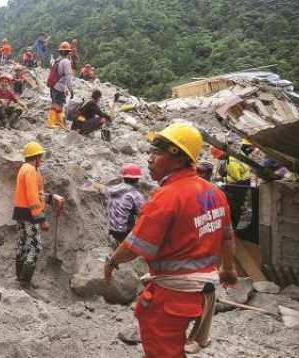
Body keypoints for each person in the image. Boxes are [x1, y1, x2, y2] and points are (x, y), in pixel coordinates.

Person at [104, 122, 237, 358]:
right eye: (149, 152)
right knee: (171, 347)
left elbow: (135, 246)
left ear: (179, 159)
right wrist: (228, 269)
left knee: (162, 350)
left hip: (174, 294)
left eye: (157, 153)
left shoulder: (166, 197)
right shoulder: (215, 193)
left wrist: (112, 260)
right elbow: (227, 236)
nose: (149, 158)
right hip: (202, 291)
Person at [13, 142, 65, 289]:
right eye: (40, 157)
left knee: (23, 244)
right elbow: (32, 196)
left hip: (21, 212)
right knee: (35, 247)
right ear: (35, 157)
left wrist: (52, 197)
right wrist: (41, 218)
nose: (41, 160)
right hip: (30, 214)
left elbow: (36, 194)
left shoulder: (27, 169)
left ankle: (20, 279)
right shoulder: (30, 170)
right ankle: (24, 282)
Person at [101, 164, 146, 248]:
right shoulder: (136, 195)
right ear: (137, 179)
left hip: (109, 228)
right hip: (125, 232)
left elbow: (102, 190)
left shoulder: (108, 189)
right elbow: (144, 213)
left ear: (122, 177)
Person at [212, 147, 250, 231]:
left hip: (240, 184)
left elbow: (237, 179)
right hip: (246, 176)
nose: (218, 159)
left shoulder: (231, 164)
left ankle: (233, 225)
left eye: (218, 157)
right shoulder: (234, 153)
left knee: (234, 205)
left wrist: (223, 180)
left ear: (222, 154)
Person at [46, 42, 74, 129]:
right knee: (56, 104)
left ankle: (58, 122)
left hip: (53, 85)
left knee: (59, 104)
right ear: (68, 52)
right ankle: (50, 122)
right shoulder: (66, 62)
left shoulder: (58, 60)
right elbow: (68, 78)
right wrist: (71, 91)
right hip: (59, 86)